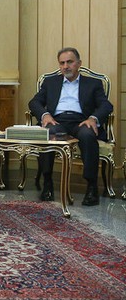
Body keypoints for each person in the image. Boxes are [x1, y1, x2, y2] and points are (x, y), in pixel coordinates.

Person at [28, 47, 113, 206]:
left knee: (88, 134)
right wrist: (45, 115)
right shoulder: (50, 82)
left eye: (69, 62)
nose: (65, 66)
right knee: (48, 133)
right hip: (57, 121)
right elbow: (34, 102)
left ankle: (92, 187)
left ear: (79, 63)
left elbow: (106, 105)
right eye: (62, 63)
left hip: (81, 121)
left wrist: (93, 118)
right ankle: (47, 184)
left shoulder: (93, 84)